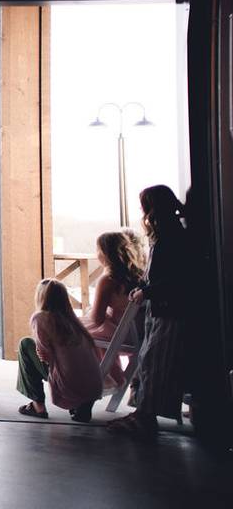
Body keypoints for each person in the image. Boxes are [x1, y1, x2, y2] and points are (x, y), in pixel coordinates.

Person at [108, 185, 189, 436]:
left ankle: (146, 418)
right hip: (159, 307)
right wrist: (142, 287)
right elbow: (156, 273)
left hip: (170, 309)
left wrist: (148, 291)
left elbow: (178, 278)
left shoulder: (172, 235)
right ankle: (142, 413)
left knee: (156, 362)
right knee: (147, 360)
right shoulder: (162, 234)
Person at [17, 279, 103, 422]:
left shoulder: (40, 318)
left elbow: (45, 356)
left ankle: (37, 405)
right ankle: (81, 404)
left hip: (68, 385)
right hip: (94, 387)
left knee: (25, 345)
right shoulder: (74, 321)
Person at [80, 230, 146, 386]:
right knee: (92, 330)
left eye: (98, 250)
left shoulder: (108, 280)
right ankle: (113, 375)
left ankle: (94, 379)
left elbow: (97, 319)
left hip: (122, 335)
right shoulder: (138, 275)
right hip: (140, 333)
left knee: (75, 333)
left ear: (105, 253)